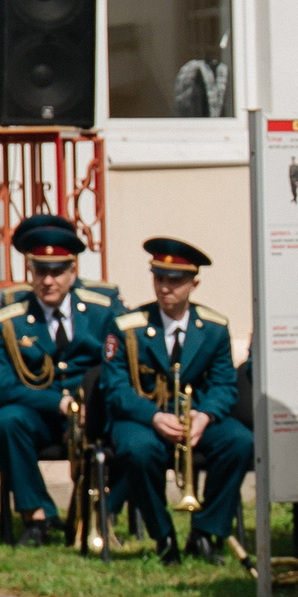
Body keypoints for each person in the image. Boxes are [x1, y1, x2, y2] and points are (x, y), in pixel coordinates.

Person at [103, 238, 255, 566]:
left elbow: (224, 385)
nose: (165, 287)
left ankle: (206, 532)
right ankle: (164, 535)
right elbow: (115, 388)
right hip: (144, 419)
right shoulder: (128, 326)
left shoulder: (213, 328)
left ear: (193, 284)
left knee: (240, 442)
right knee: (137, 450)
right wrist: (154, 417)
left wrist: (204, 416)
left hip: (193, 419)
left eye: (175, 281)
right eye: (159, 278)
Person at [0, 214, 124, 546]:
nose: (48, 281)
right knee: (6, 423)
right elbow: (5, 387)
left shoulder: (103, 309)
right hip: (42, 415)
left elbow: (121, 366)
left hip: (92, 413)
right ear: (30, 271)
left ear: (73, 272)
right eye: (40, 272)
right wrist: (59, 403)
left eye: (57, 272)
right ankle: (37, 516)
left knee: (129, 428)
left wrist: (93, 405)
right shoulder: (8, 319)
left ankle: (101, 511)